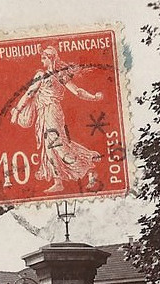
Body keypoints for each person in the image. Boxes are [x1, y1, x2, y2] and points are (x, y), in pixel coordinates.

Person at [10, 46, 104, 193]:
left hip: (51, 113)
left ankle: (86, 168)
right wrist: (17, 111)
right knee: (50, 146)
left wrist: (93, 97)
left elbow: (76, 91)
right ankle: (58, 180)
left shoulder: (53, 76)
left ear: (51, 58)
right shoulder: (53, 75)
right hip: (45, 113)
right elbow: (30, 94)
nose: (41, 60)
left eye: (44, 57)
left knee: (57, 145)